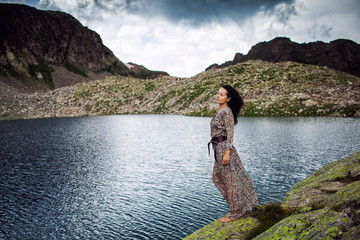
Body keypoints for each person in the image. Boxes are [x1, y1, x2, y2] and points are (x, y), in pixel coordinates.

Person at [209, 85, 258, 223]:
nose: (218, 96)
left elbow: (230, 133)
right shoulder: (220, 110)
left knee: (231, 181)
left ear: (228, 98)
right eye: (218, 93)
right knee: (217, 178)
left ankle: (235, 212)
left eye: (222, 94)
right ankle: (238, 206)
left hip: (224, 148)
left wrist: (227, 152)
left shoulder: (227, 112)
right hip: (217, 149)